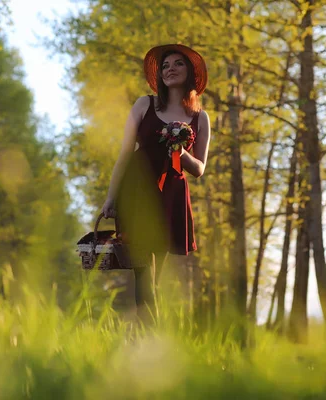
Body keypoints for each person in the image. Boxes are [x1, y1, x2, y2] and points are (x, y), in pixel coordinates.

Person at [101, 44, 211, 324]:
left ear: (190, 74)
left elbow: (199, 168)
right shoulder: (144, 105)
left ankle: (145, 336)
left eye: (178, 64)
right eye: (165, 66)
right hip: (137, 192)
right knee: (143, 271)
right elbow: (124, 154)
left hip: (171, 197)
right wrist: (111, 198)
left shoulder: (200, 118)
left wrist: (179, 147)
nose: (170, 69)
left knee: (155, 274)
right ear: (160, 75)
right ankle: (150, 334)